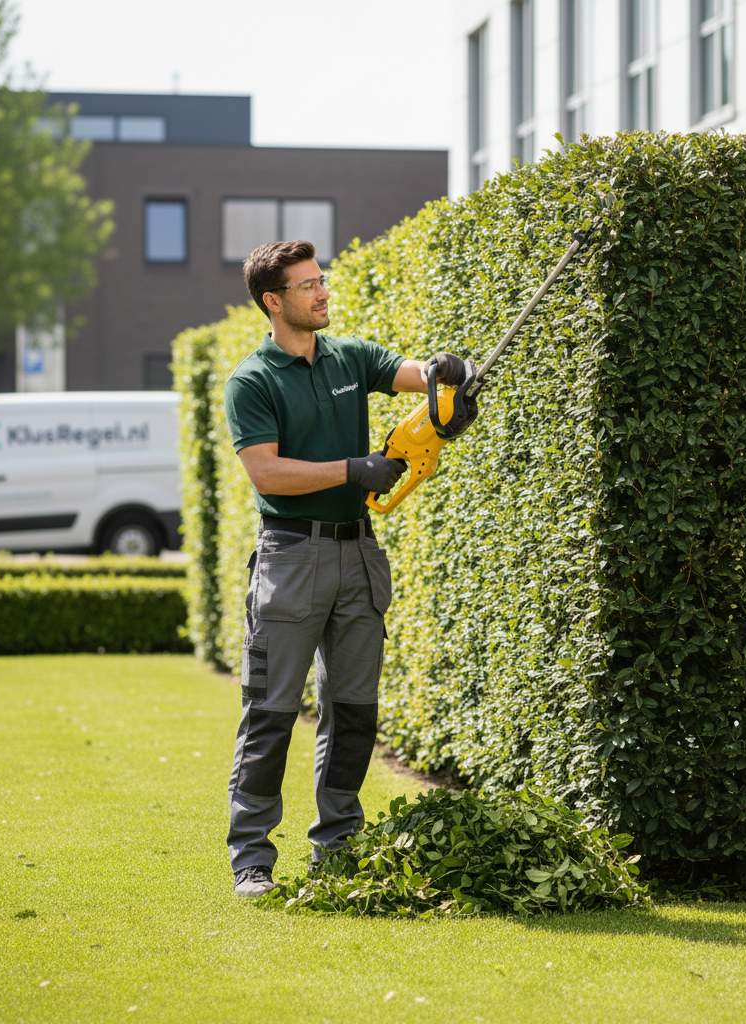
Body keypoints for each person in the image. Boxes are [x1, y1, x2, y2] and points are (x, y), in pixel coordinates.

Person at [223, 239, 466, 898]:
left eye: (322, 280)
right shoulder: (253, 380)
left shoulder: (350, 357)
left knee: (353, 709)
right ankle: (251, 858)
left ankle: (339, 844)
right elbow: (267, 470)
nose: (322, 292)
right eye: (308, 286)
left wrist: (446, 374)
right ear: (274, 302)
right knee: (270, 712)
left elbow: (412, 375)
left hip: (358, 554)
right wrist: (351, 469)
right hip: (290, 557)